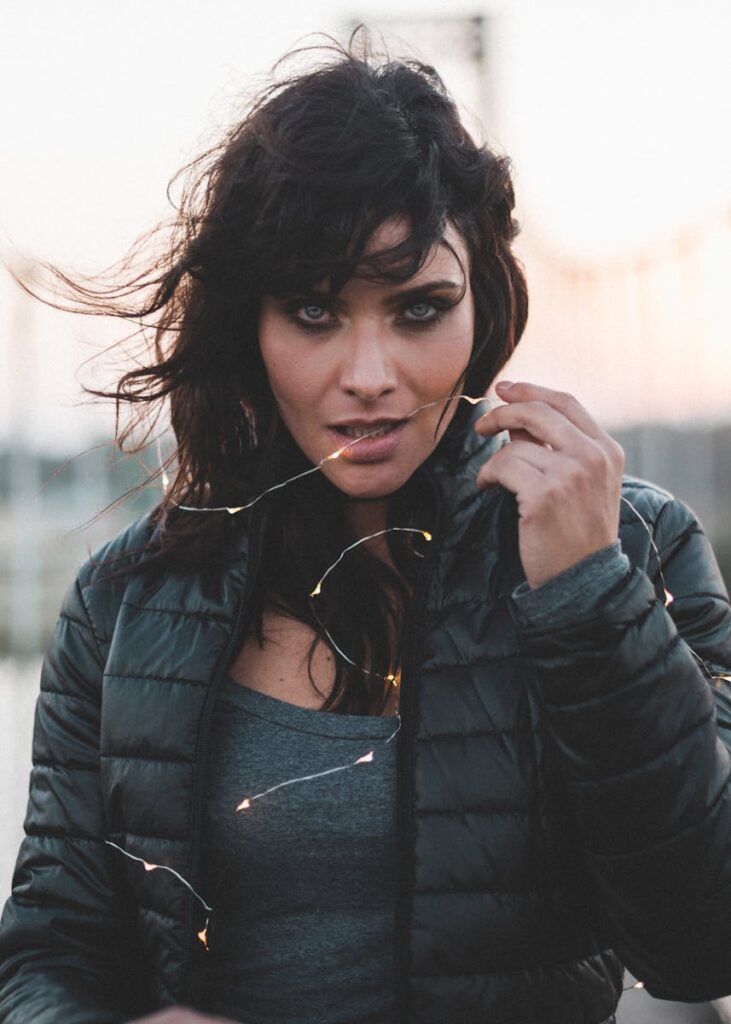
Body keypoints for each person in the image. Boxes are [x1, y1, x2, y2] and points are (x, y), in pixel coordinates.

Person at [0, 32, 730, 1024]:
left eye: (419, 309)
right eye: (312, 310)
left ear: (486, 311)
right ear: (249, 328)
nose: (370, 373)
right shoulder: (123, 602)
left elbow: (700, 947)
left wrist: (589, 601)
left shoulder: (633, 547)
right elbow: (48, 957)